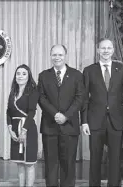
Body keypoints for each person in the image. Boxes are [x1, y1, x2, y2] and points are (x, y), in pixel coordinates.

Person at [81, 38, 123, 186]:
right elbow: (84, 98)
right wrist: (84, 121)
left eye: (108, 48)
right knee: (95, 159)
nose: (106, 51)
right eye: (103, 48)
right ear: (98, 50)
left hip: (117, 121)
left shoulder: (122, 69)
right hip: (95, 120)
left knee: (115, 159)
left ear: (113, 50)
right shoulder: (89, 70)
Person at [38, 45, 85, 187]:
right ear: (50, 56)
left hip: (69, 126)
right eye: (54, 55)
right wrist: (55, 114)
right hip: (49, 127)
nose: (57, 57)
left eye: (60, 54)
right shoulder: (43, 75)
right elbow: (41, 98)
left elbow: (80, 98)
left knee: (68, 165)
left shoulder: (77, 75)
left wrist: (66, 116)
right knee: (51, 165)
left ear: (65, 55)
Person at [6, 64, 39, 187]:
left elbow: (32, 112)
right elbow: (8, 112)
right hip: (14, 128)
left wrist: (24, 131)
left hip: (28, 128)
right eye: (18, 73)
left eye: (24, 73)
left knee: (29, 163)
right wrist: (10, 129)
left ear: (29, 76)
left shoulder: (33, 91)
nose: (20, 76)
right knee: (20, 163)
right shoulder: (13, 92)